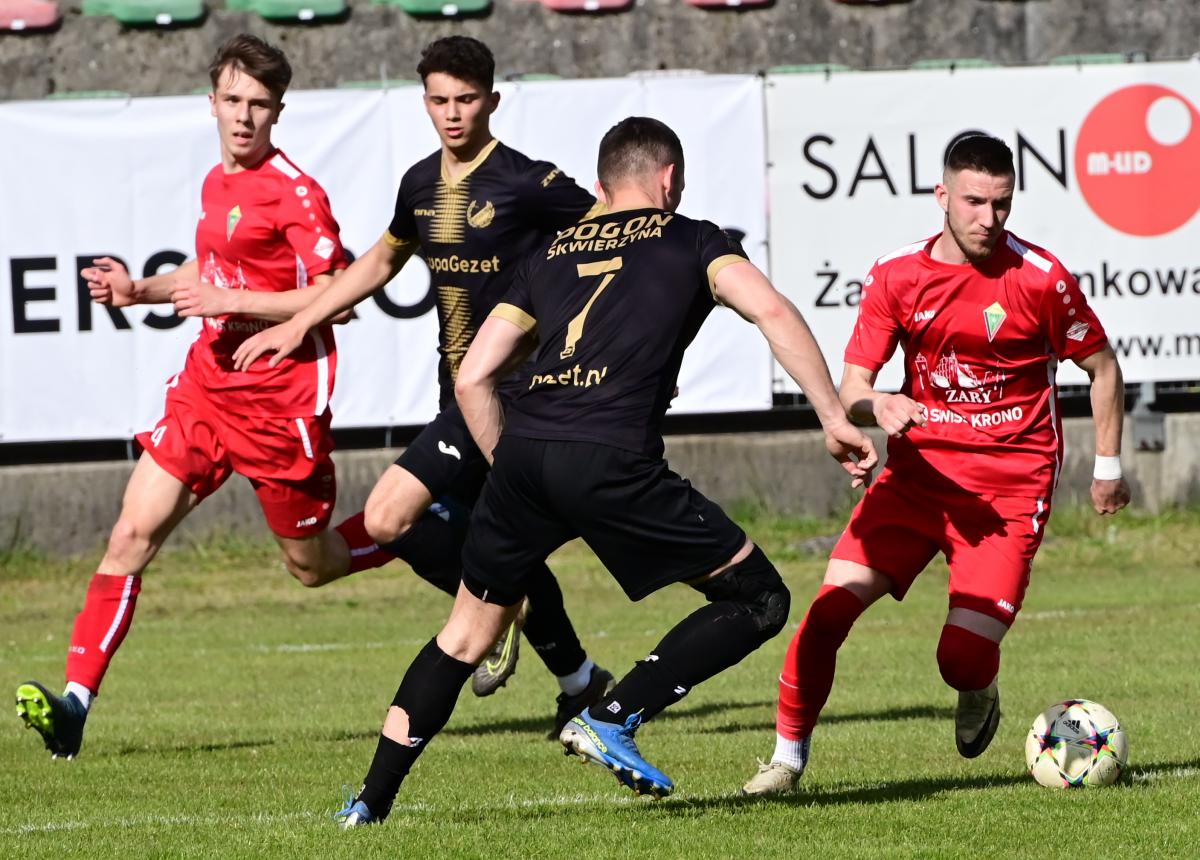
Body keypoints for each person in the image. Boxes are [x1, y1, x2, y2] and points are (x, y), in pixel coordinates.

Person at [330, 116, 877, 826]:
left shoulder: (551, 251)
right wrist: (832, 416)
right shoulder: (695, 239)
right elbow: (770, 310)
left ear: (601, 186)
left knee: (462, 637)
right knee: (759, 599)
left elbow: (472, 378)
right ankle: (611, 716)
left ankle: (367, 805)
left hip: (524, 453)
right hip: (611, 457)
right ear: (669, 179)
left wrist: (510, 472)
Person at [14, 34, 398, 760]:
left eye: (259, 104)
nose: (244, 116)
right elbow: (210, 268)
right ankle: (73, 706)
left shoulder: (296, 192)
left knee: (311, 566)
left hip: (280, 405)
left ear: (278, 111)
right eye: (232, 100)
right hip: (208, 389)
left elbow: (340, 296)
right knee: (129, 536)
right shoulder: (217, 182)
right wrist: (139, 290)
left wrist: (235, 299)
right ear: (211, 103)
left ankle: (416, 524)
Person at [232, 36, 610, 728]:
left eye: (466, 99)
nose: (453, 114)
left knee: (388, 519)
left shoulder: (528, 183)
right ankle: (579, 681)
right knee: (491, 545)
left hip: (510, 398)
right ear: (425, 103)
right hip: (454, 392)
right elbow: (380, 261)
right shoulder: (419, 185)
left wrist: (604, 345)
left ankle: (497, 610)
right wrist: (300, 321)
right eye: (440, 100)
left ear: (492, 101)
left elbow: (616, 243)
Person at [742, 132, 1131, 796]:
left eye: (1001, 203)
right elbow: (852, 388)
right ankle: (785, 760)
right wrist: (877, 405)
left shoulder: (1041, 278)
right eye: (975, 202)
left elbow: (1103, 368)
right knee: (827, 613)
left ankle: (979, 686)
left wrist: (1108, 467)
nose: (989, 218)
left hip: (1008, 493)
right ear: (942, 196)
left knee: (961, 658)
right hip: (917, 482)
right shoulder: (897, 274)